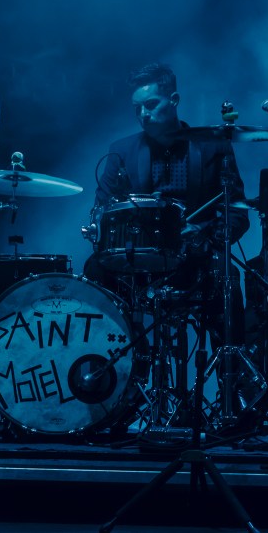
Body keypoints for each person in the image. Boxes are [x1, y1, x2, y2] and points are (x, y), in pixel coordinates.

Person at [87, 62, 251, 352]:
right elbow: (102, 209)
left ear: (173, 100)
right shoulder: (121, 151)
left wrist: (204, 234)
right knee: (94, 270)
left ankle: (235, 376)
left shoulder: (214, 146)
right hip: (138, 262)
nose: (143, 115)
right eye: (136, 108)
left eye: (150, 105)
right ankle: (124, 366)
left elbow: (237, 212)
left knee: (229, 278)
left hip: (197, 258)